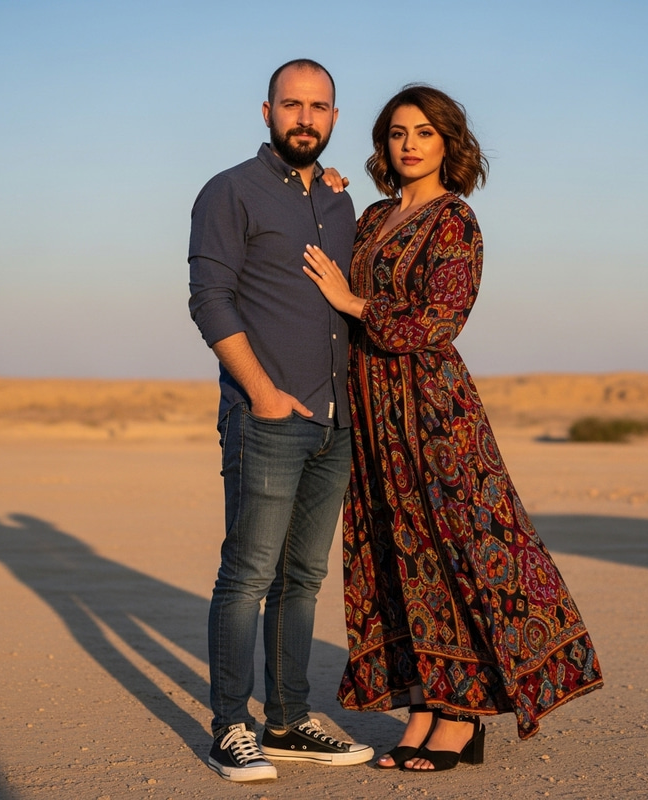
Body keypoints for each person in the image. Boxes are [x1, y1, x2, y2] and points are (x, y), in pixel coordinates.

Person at [303, 84, 603, 772]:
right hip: (372, 412)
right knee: (393, 555)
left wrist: (354, 301)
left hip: (435, 414)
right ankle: (427, 707)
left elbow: (440, 319)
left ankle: (462, 716)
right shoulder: (371, 215)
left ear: (448, 145)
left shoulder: (454, 220)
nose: (408, 144)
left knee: (450, 550)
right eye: (397, 133)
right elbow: (315, 246)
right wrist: (326, 191)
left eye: (423, 133)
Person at [188, 58, 374, 783]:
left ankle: (290, 719)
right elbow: (211, 299)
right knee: (248, 574)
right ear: (265, 112)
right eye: (291, 105)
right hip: (268, 417)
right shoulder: (229, 190)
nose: (306, 118)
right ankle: (230, 726)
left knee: (304, 576)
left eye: (319, 107)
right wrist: (262, 392)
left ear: (334, 117)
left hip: (337, 421)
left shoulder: (338, 202)